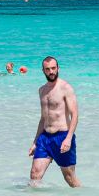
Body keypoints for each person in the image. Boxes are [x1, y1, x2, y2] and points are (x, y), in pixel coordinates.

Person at [29, 56, 80, 188]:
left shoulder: (65, 88)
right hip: (45, 138)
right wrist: (35, 142)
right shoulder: (42, 90)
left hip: (62, 137)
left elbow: (75, 114)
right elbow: (43, 118)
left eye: (53, 68)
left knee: (69, 178)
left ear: (58, 68)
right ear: (43, 70)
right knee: (34, 176)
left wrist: (68, 139)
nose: (51, 72)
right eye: (47, 69)